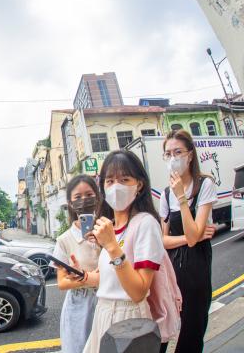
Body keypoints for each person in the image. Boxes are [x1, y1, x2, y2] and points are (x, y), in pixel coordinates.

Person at [78, 150, 166, 353]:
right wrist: (81, 275)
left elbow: (138, 291)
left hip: (128, 319)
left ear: (139, 184)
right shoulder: (112, 227)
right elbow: (109, 281)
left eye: (124, 179)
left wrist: (111, 247)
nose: (116, 187)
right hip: (103, 312)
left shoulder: (145, 223)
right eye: (109, 181)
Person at [160, 129, 217, 353]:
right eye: (168, 154)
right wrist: (188, 237)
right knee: (166, 327)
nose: (173, 158)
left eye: (178, 152)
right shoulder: (165, 194)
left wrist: (182, 198)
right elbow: (164, 240)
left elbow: (195, 240)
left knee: (192, 329)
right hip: (172, 267)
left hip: (196, 267)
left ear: (190, 155)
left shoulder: (204, 184)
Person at [51, 175, 101, 353]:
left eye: (89, 195)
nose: (84, 201)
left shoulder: (107, 230)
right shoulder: (64, 240)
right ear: (71, 203)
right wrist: (88, 278)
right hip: (79, 306)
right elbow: (62, 283)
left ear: (97, 197)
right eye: (78, 197)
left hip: (107, 301)